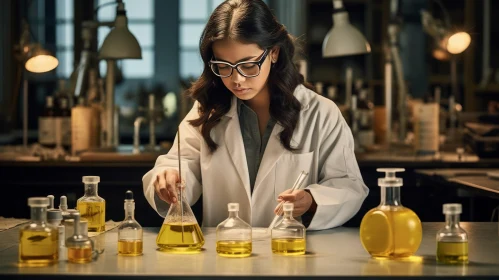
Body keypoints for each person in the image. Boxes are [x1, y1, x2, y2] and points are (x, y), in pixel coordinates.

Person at [143, 0, 368, 230]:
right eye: (223, 65)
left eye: (248, 65)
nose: (236, 79)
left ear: (274, 53)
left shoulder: (320, 113)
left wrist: (311, 200)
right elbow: (180, 164)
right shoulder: (208, 109)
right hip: (226, 254)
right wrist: (168, 178)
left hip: (292, 254)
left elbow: (349, 186)